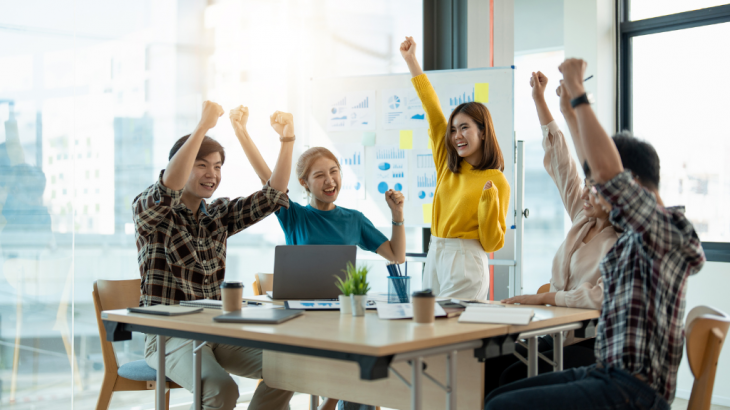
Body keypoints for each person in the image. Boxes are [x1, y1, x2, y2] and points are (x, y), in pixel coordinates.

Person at [484, 59, 706, 410]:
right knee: (498, 395)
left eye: (601, 188)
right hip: (608, 373)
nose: (593, 191)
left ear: (629, 186)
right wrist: (565, 107)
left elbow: (605, 172)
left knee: (502, 406)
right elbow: (583, 169)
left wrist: (578, 92)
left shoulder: (665, 231)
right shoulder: (634, 233)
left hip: (633, 390)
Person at [230, 105, 405, 410]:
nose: (330, 180)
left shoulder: (354, 219)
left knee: (364, 358)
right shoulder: (293, 215)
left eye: (334, 172)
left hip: (343, 317)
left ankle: (334, 403)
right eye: (320, 175)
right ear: (304, 183)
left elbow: (396, 254)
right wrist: (241, 132)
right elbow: (266, 176)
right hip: (301, 318)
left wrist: (397, 216)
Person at [132, 101, 296, 410]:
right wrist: (203, 127)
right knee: (221, 390)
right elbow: (168, 189)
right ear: (180, 164)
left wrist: (287, 141)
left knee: (290, 366)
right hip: (169, 335)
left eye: (218, 166)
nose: (212, 173)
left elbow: (273, 196)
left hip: (216, 329)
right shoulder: (150, 211)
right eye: (202, 164)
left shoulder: (218, 214)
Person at [482, 71, 621, 395]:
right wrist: (540, 100)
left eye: (594, 188)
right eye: (586, 186)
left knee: (510, 378)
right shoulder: (582, 219)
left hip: (588, 345)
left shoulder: (618, 242)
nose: (585, 193)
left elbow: (600, 298)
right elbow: (562, 163)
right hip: (553, 333)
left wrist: (545, 297)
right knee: (491, 365)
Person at [399, 36, 510, 300]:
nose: (457, 136)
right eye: (453, 130)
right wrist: (411, 60)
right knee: (430, 331)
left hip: (466, 259)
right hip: (435, 253)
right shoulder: (447, 165)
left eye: (464, 128)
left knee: (456, 335)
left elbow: (493, 243)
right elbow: (432, 107)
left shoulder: (496, 181)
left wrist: (488, 202)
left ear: (483, 132)